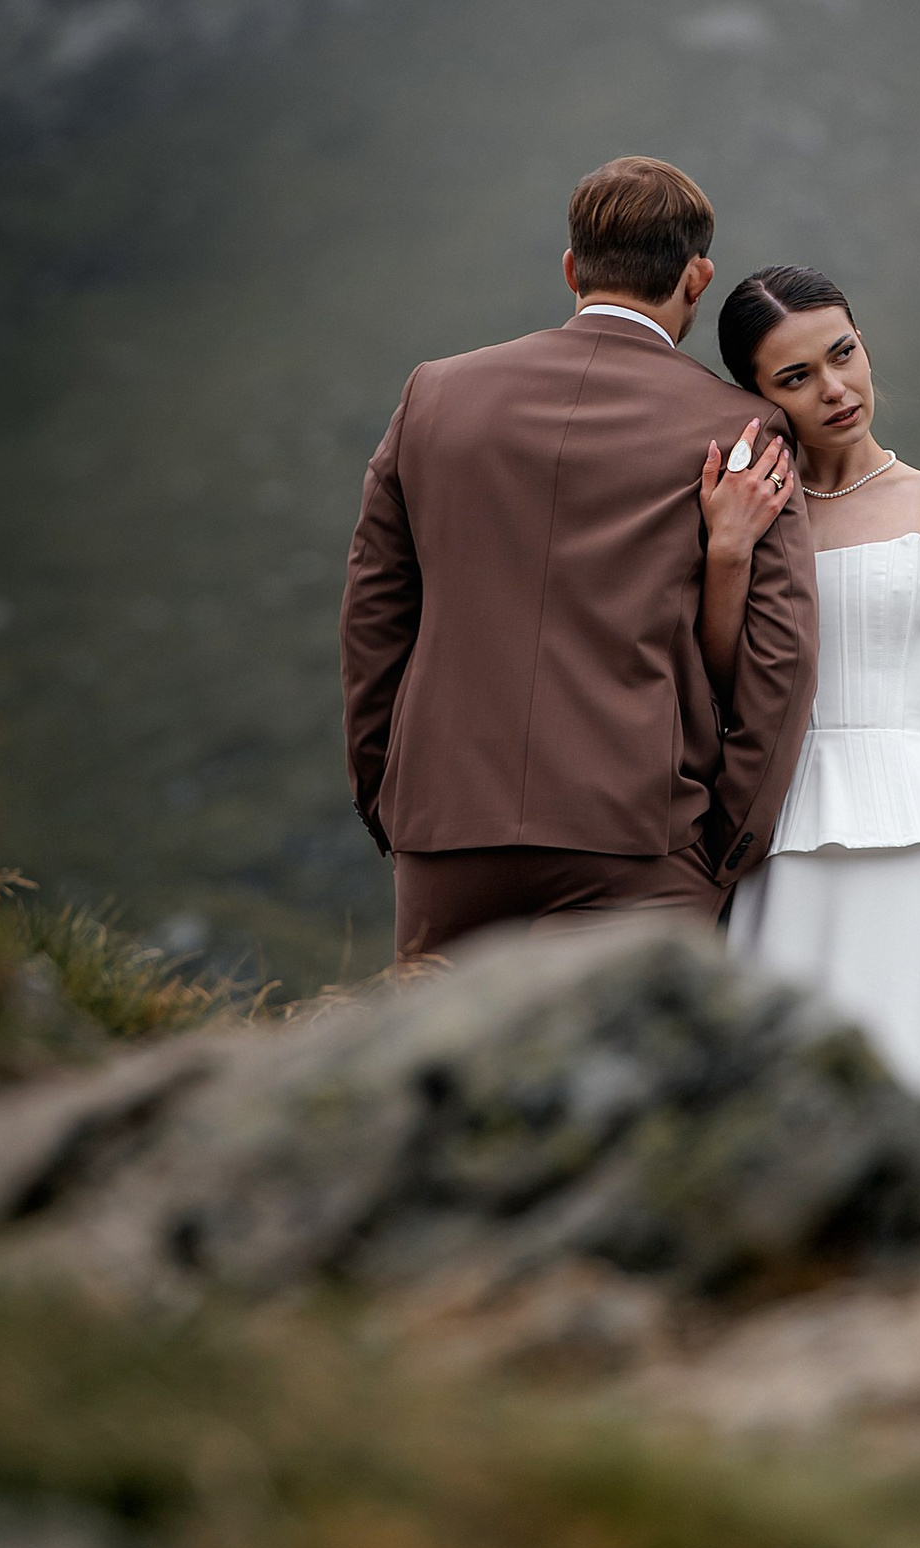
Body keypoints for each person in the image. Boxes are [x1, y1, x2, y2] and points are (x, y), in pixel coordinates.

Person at [341, 157, 819, 961]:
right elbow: (785, 655)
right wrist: (725, 845)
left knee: (441, 1081)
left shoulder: (433, 395)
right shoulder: (743, 428)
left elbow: (374, 615)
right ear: (697, 278)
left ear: (572, 267)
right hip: (642, 838)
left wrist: (388, 797)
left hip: (447, 827)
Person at [706, 264, 920, 1126]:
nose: (835, 390)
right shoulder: (754, 510)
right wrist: (728, 554)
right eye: (796, 379)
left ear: (864, 343)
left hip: (919, 848)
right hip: (778, 845)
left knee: (918, 1086)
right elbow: (720, 683)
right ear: (760, 395)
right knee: (776, 1101)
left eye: (843, 354)